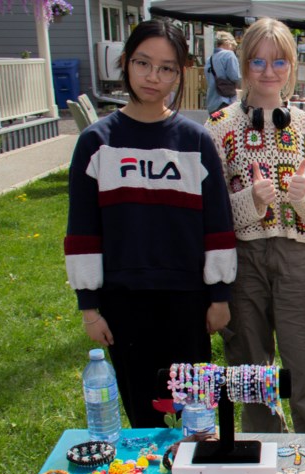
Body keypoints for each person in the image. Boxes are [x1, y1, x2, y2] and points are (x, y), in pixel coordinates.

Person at [65, 19, 237, 428]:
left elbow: (217, 224)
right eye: (143, 63)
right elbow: (83, 233)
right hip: (124, 302)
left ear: (180, 74)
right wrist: (89, 308)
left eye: (166, 68)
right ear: (125, 63)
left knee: (196, 412)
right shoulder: (97, 142)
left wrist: (219, 295)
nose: (153, 77)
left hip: (188, 300)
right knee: (144, 415)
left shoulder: (196, 141)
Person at [205, 17, 305, 434]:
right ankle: (263, 453)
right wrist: (249, 202)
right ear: (243, 64)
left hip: (298, 256)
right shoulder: (218, 128)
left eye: (280, 62)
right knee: (249, 362)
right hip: (243, 258)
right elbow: (212, 217)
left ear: (292, 67)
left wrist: (302, 197)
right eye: (258, 62)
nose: (269, 72)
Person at [205, 31, 241, 114]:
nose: (232, 48)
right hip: (225, 100)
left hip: (212, 102)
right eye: (232, 46)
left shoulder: (209, 59)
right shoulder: (229, 55)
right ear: (228, 43)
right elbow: (234, 76)